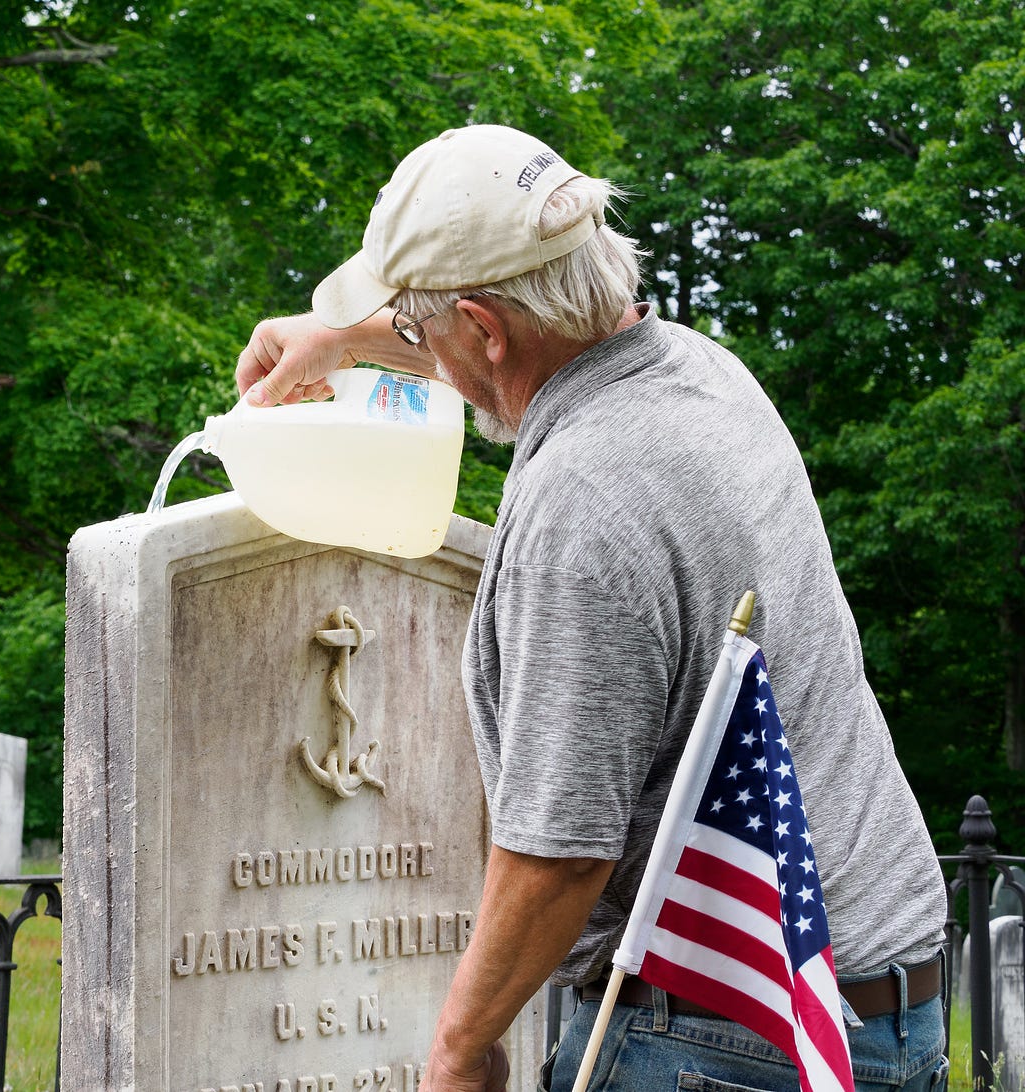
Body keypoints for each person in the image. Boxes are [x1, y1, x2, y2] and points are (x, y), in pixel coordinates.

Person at [235, 125, 948, 1092]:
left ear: (484, 330)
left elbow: (559, 852)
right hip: (880, 995)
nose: (419, 348)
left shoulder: (582, 509)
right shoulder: (697, 372)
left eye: (418, 329)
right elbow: (528, 368)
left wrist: (459, 1046)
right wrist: (345, 342)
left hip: (717, 1042)